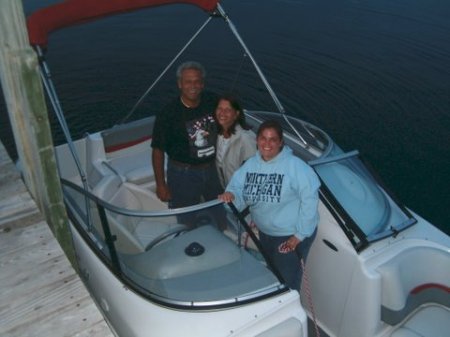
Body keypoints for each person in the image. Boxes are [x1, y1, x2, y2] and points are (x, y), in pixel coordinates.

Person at [218, 120, 320, 291]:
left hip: (290, 235)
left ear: (280, 142)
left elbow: (310, 200)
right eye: (263, 138)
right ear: (257, 140)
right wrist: (231, 197)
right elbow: (237, 192)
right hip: (266, 233)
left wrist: (299, 236)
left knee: (287, 282)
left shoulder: (296, 167)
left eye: (273, 139)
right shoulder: (250, 166)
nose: (267, 144)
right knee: (272, 273)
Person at [151, 61, 223, 220]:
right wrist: (161, 185)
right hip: (182, 174)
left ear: (202, 84)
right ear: (179, 84)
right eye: (188, 82)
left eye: (197, 81)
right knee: (186, 218)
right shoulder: (168, 113)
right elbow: (157, 150)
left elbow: (232, 112)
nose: (193, 86)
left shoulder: (213, 100)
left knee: (219, 211)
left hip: (212, 169)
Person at [214, 94, 256, 189]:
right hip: (226, 189)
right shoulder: (216, 134)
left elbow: (254, 173)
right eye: (219, 108)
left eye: (228, 110)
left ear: (236, 114)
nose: (222, 113)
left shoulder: (246, 139)